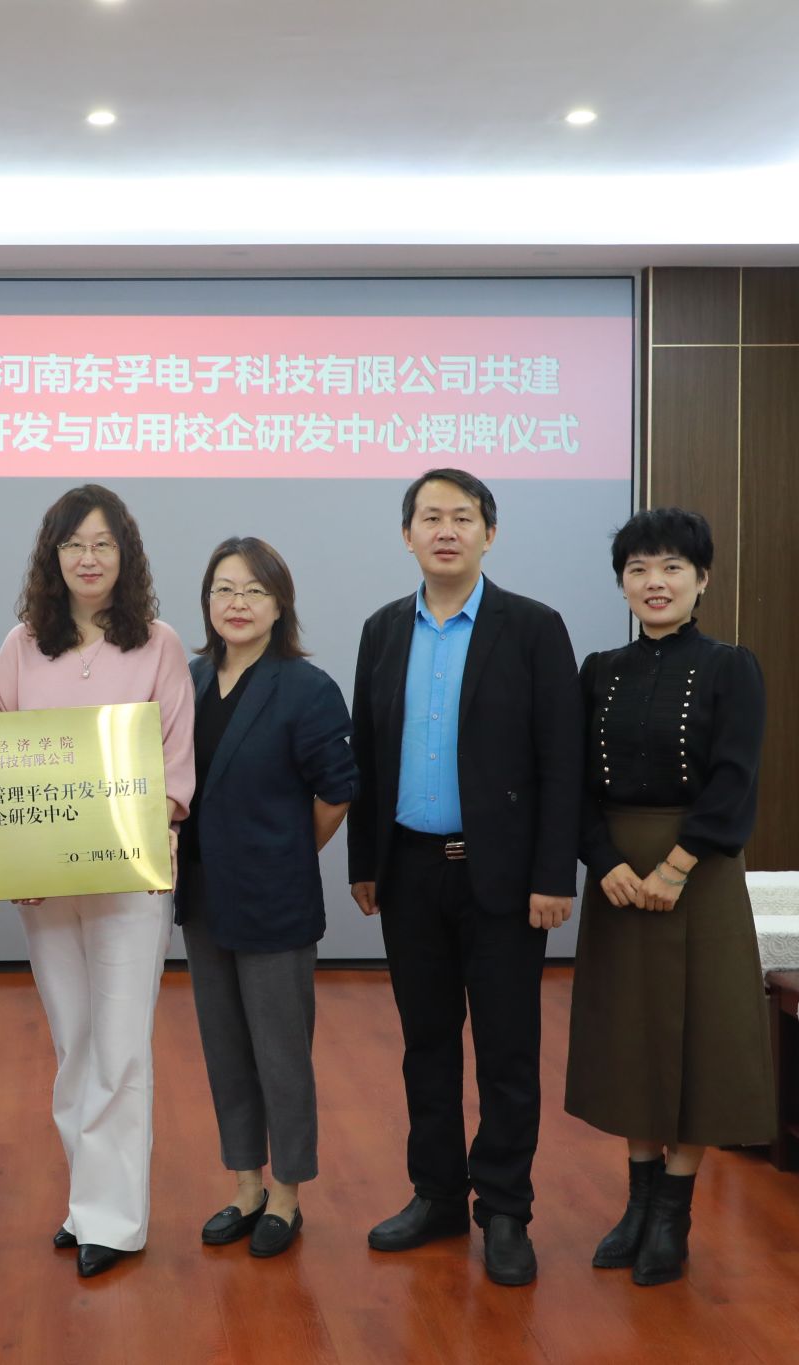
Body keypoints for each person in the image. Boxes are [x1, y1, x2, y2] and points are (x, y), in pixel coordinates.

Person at [348, 467, 582, 1287]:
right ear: (406, 534)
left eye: (462, 516)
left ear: (490, 532)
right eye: (430, 517)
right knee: (426, 1044)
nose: (445, 530)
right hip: (409, 872)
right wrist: (365, 861)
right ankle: (439, 1194)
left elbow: (561, 761)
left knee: (509, 1050)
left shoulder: (533, 628)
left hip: (506, 880)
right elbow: (366, 752)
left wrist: (554, 874)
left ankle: (506, 1209)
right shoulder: (383, 630)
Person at [0, 484, 196, 1280]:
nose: (87, 557)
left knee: (121, 1043)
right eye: (73, 543)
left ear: (126, 555)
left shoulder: (159, 644)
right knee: (73, 1040)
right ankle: (88, 1202)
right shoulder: (20, 647)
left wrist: (126, 836)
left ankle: (116, 1218)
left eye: (103, 543)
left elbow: (174, 772)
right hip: (46, 884)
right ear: (52, 555)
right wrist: (21, 858)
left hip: (131, 880)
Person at [566, 507, 772, 1287]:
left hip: (700, 871)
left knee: (700, 1038)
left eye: (672, 567)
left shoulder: (731, 666)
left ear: (702, 578)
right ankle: (637, 1203)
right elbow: (573, 779)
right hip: (619, 876)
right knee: (630, 1036)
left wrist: (678, 865)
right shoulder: (599, 670)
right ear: (622, 582)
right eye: (639, 569)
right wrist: (603, 860)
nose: (655, 582)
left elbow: (735, 778)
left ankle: (673, 1215)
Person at [176, 537, 356, 1260]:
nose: (238, 603)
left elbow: (336, 791)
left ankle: (286, 1193)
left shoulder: (306, 687)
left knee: (281, 1053)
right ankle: (245, 1184)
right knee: (225, 1047)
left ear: (280, 604)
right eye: (224, 589)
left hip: (275, 898)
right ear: (207, 602)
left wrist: (286, 852)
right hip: (203, 896)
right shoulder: (187, 680)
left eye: (254, 590)